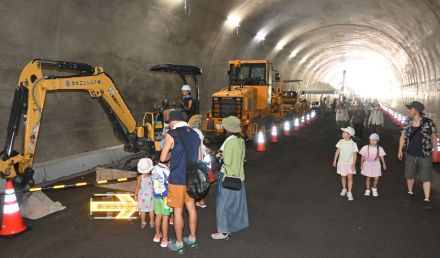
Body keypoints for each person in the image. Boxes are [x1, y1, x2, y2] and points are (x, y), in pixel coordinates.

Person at [160, 111, 201, 254]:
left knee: (178, 211)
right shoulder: (195, 134)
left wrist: (173, 153)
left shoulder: (172, 134)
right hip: (192, 178)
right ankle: (193, 238)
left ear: (171, 122)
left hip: (177, 178)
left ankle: (179, 244)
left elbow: (163, 157)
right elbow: (199, 157)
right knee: (191, 208)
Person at [211, 116, 249, 240]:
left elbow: (226, 161)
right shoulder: (241, 140)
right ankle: (231, 227)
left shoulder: (229, 141)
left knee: (223, 204)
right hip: (239, 176)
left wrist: (219, 157)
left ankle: (223, 231)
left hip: (228, 176)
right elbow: (242, 158)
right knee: (234, 204)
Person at [398, 101, 438, 210]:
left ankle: (426, 199)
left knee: (426, 177)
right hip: (410, 153)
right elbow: (403, 136)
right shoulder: (407, 121)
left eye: (410, 109)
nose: (409, 110)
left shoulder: (428, 122)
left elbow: (434, 137)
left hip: (425, 154)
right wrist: (400, 150)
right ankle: (410, 192)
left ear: (416, 110)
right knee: (409, 175)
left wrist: (435, 150)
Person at [333, 127, 358, 201]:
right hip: (342, 163)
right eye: (343, 132)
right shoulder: (340, 141)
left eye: (345, 132)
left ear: (349, 135)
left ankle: (349, 192)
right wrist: (335, 160)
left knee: (350, 178)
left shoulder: (353, 144)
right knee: (343, 177)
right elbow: (337, 151)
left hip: (350, 163)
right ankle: (344, 189)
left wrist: (353, 164)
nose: (343, 134)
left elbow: (355, 155)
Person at [151, 162, 172, 248]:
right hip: (165, 198)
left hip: (156, 196)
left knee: (158, 216)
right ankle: (164, 238)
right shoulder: (166, 170)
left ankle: (157, 234)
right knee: (165, 217)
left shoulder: (153, 168)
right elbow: (170, 183)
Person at [134, 158, 155, 229]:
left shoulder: (140, 177)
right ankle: (152, 222)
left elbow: (137, 187)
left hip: (142, 197)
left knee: (142, 210)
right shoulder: (152, 176)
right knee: (151, 210)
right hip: (151, 196)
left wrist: (135, 194)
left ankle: (143, 222)